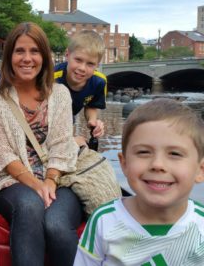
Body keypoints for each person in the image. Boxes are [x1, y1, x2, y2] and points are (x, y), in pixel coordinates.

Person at [0, 22, 82, 266]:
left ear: (44, 57)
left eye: (34, 51)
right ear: (9, 57)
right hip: (14, 182)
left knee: (57, 225)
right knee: (29, 206)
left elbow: (62, 143)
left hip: (61, 179)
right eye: (20, 51)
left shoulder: (60, 95)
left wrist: (49, 181)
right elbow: (2, 154)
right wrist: (36, 185)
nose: (27, 59)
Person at [75, 98, 204, 265]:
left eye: (175, 154)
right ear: (124, 163)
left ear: (200, 170)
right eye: (144, 152)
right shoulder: (104, 221)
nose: (158, 164)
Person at [54, 30, 106, 146]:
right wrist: (69, 142)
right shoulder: (51, 77)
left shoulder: (99, 82)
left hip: (68, 117)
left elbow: (91, 105)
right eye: (78, 60)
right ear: (67, 55)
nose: (82, 68)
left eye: (90, 64)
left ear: (97, 65)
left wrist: (92, 120)